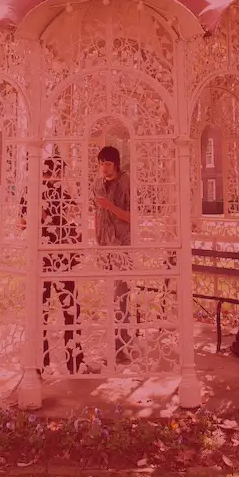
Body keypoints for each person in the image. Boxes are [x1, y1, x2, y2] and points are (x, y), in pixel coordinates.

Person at [20, 157, 86, 374]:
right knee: (71, 309)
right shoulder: (57, 192)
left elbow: (21, 223)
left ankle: (41, 362)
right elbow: (74, 215)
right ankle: (74, 360)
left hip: (38, 260)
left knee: (41, 310)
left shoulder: (28, 193)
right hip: (59, 259)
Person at [92, 145, 133, 364]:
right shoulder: (97, 184)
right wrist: (97, 239)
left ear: (116, 164)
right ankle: (112, 341)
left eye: (107, 163)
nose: (103, 168)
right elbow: (96, 214)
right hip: (104, 245)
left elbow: (132, 217)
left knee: (121, 296)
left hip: (123, 245)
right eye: (101, 163)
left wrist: (110, 206)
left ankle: (122, 345)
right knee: (108, 296)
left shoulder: (127, 182)